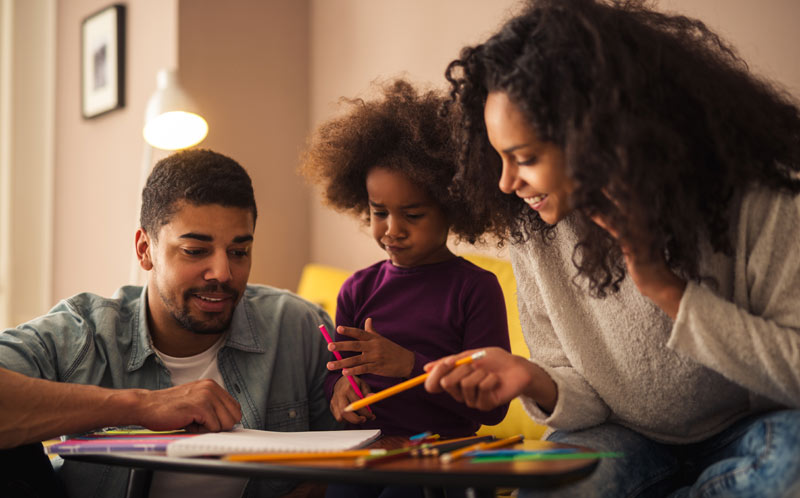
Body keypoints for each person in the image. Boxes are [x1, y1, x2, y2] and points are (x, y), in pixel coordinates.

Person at [423, 0, 800, 497]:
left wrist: (664, 287)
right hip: (618, 439)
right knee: (546, 486)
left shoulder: (757, 199)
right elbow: (587, 402)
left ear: (599, 135)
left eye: (525, 158)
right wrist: (533, 378)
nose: (506, 182)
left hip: (753, 430)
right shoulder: (534, 226)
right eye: (498, 158)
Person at [0, 149, 339, 498]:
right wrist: (143, 405)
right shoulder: (82, 334)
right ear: (145, 249)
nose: (222, 273)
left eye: (239, 252)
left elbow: (349, 465)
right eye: (195, 250)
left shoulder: (300, 327)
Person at [301, 80, 511, 498]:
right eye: (379, 212)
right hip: (373, 449)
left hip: (448, 456)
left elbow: (494, 408)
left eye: (412, 214)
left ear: (452, 209)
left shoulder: (476, 289)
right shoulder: (357, 289)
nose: (391, 230)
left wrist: (410, 366)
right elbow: (338, 377)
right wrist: (340, 392)